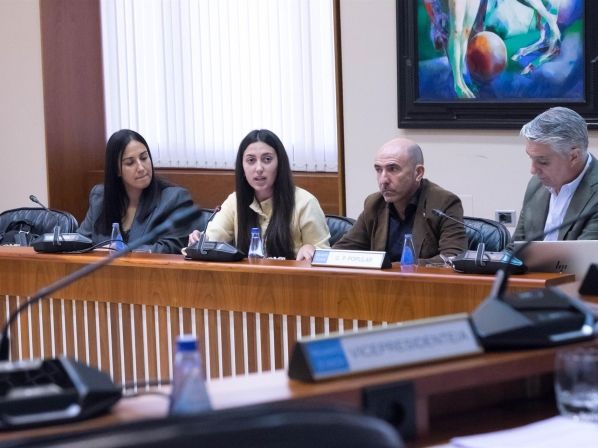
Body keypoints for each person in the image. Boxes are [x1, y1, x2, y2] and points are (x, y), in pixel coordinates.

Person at [188, 129, 330, 260]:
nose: (259, 168)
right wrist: (199, 241)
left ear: (280, 164)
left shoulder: (305, 202)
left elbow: (324, 256)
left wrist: (312, 250)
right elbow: (211, 240)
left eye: (267, 159)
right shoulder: (235, 201)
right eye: (251, 160)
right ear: (242, 167)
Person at [333, 137, 467, 264]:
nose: (383, 180)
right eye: (379, 170)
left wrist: (396, 268)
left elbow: (453, 258)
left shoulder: (443, 203)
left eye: (393, 169)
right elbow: (340, 251)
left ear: (418, 173)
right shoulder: (374, 203)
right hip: (380, 281)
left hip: (423, 281)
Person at [77, 129, 197, 253]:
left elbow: (171, 247)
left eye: (144, 158)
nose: (141, 168)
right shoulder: (100, 197)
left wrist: (123, 251)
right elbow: (80, 242)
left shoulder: (174, 198)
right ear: (116, 170)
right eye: (130, 163)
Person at [513, 107, 598, 241]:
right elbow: (516, 246)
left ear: (573, 156)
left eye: (543, 161)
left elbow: (585, 253)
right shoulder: (536, 185)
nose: (533, 170)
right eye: (531, 158)